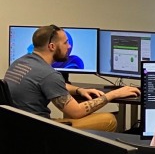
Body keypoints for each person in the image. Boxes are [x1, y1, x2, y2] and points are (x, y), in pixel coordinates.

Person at [3, 24, 138, 131]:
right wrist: (114, 94)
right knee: (109, 119)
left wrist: (79, 90)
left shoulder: (20, 62)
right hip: (39, 130)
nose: (69, 46)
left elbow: (45, 84)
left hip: (17, 128)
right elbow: (76, 112)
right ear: (52, 46)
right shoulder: (48, 74)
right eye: (65, 43)